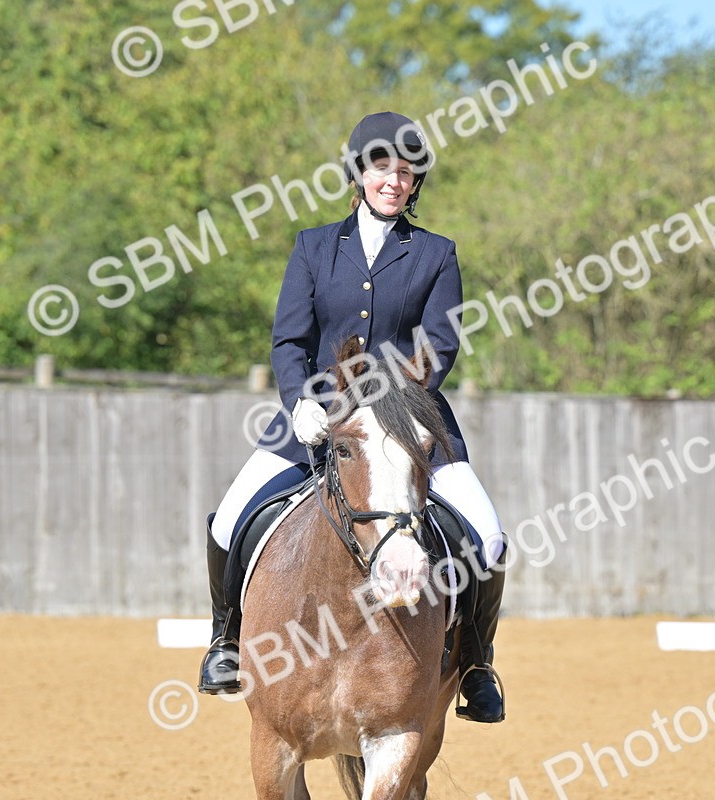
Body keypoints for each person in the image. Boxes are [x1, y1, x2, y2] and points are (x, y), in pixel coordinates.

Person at [197, 111, 507, 723]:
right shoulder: (314, 246)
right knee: (230, 519)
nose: (394, 180)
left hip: (410, 423)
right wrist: (302, 402)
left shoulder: (437, 255)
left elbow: (439, 348)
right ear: (360, 172)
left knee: (488, 537)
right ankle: (226, 642)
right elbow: (289, 341)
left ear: (416, 183)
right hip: (313, 416)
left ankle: (475, 663)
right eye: (382, 166)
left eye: (407, 172)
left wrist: (391, 406)